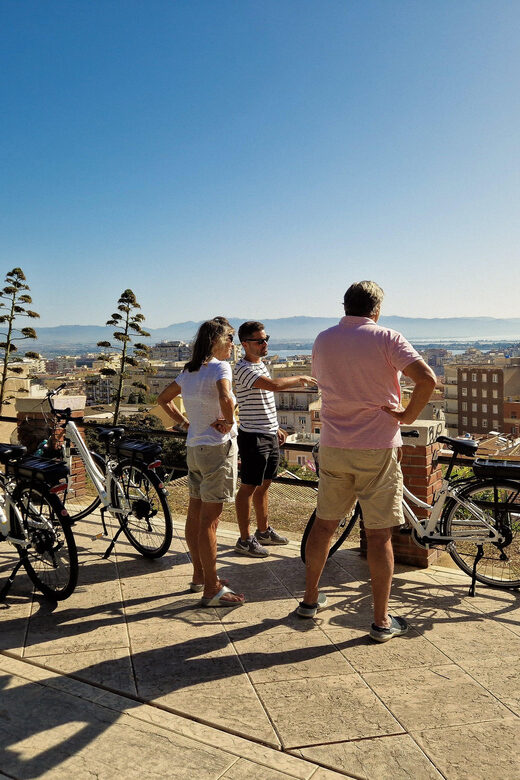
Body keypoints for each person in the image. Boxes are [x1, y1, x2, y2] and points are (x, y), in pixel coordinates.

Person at [300, 281, 436, 641]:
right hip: (377, 446)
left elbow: (322, 381)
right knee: (379, 537)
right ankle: (380, 621)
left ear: (345, 306)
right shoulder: (388, 337)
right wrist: (407, 416)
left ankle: (310, 600)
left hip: (333, 445)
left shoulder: (323, 339)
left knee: (324, 526)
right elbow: (427, 379)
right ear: (376, 309)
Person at [157, 319, 244, 607]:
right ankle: (211, 587)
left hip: (194, 449)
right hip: (217, 449)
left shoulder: (189, 370)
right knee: (210, 523)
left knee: (195, 518)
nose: (233, 343)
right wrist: (229, 421)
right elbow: (225, 397)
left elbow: (163, 398)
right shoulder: (221, 367)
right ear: (217, 340)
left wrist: (185, 423)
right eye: (230, 337)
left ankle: (199, 575)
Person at [233, 321, 318, 556]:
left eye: (266, 338)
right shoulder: (243, 368)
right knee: (248, 488)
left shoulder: (260, 365)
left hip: (268, 433)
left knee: (264, 486)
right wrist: (300, 378)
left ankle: (263, 531)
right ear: (245, 344)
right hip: (254, 437)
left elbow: (262, 402)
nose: (265, 343)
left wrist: (276, 427)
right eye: (259, 340)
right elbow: (272, 387)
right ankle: (244, 539)